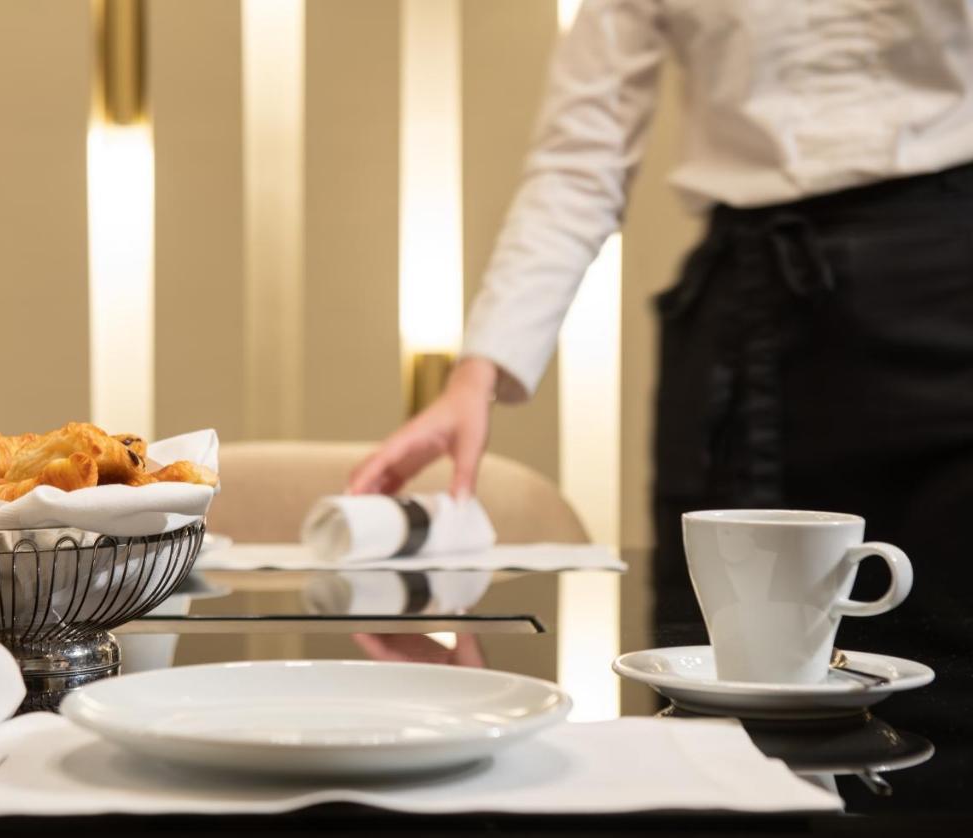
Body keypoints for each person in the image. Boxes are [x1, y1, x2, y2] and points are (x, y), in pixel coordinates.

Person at [349, 0, 973, 653]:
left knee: (953, 633)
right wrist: (477, 372)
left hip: (952, 288)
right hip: (750, 317)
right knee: (720, 651)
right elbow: (579, 161)